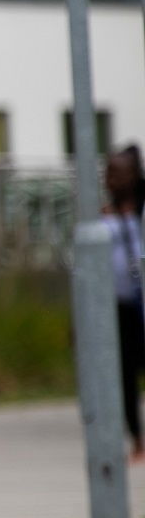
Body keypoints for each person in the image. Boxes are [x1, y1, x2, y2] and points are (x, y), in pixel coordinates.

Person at [105, 145, 145, 464]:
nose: (112, 179)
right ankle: (137, 439)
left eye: (119, 173)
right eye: (109, 173)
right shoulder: (103, 213)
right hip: (119, 306)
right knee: (125, 374)